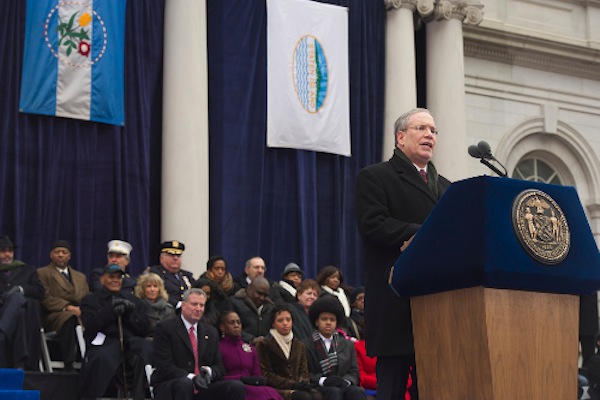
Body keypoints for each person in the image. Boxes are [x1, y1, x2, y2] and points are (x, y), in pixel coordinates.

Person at [355, 108, 451, 399]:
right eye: (421, 128)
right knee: (392, 390)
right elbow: (373, 224)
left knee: (432, 390)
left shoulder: (447, 187)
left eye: (433, 131)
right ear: (400, 137)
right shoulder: (376, 176)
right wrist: (421, 233)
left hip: (436, 306)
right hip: (396, 303)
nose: (429, 135)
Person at [151, 288, 245, 400]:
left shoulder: (211, 332)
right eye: (194, 304)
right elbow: (163, 365)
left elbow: (219, 367)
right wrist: (192, 377)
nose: (198, 309)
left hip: (203, 385)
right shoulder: (165, 328)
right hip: (173, 383)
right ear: (183, 305)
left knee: (235, 386)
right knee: (185, 384)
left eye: (202, 305)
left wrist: (209, 372)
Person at [79, 264, 151, 400]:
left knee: (145, 350)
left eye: (118, 277)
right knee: (101, 358)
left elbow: (145, 329)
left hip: (132, 343)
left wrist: (130, 314)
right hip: (105, 343)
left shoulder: (133, 300)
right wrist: (109, 310)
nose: (115, 280)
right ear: (102, 279)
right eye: (111, 277)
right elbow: (90, 325)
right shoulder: (90, 300)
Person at [37, 240, 89, 371]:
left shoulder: (80, 277)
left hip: (80, 313)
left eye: (64, 252)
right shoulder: (42, 273)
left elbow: (87, 297)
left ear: (69, 256)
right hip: (55, 314)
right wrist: (67, 307)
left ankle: (92, 362)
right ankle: (69, 362)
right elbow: (45, 298)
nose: (60, 255)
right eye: (57, 252)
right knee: (69, 318)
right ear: (51, 255)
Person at [302, 296, 365, 400]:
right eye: (324, 319)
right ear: (316, 322)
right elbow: (304, 373)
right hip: (319, 386)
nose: (328, 322)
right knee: (334, 392)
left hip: (342, 383)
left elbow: (354, 371)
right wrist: (323, 380)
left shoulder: (347, 344)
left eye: (332, 319)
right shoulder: (305, 345)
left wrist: (346, 381)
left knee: (357, 391)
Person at [256, 304, 322, 400]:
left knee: (317, 396)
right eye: (280, 320)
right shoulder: (264, 344)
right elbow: (267, 374)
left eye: (288, 319)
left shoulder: (299, 344)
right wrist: (294, 384)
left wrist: (303, 383)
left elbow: (304, 370)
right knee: (303, 397)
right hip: (276, 388)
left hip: (298, 387)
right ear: (273, 324)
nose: (285, 323)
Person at [0, 234, 44, 370]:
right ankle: (21, 363)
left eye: (10, 251)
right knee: (18, 307)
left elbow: (39, 291)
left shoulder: (27, 270)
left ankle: (2, 335)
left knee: (18, 301)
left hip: (24, 314)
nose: (7, 255)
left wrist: (20, 289)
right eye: (3, 251)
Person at [218, 310, 284, 400]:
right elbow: (218, 376)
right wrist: (241, 379)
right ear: (222, 327)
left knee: (271, 392)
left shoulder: (250, 349)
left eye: (238, 322)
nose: (236, 325)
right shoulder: (218, 348)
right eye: (231, 323)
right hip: (233, 388)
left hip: (252, 386)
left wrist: (258, 380)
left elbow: (257, 374)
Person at [147, 240, 196, 308]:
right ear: (162, 258)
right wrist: (179, 305)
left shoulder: (186, 275)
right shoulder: (154, 274)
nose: (175, 258)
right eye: (171, 255)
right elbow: (157, 295)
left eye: (178, 255)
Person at [230, 276, 275, 342]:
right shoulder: (233, 303)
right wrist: (252, 339)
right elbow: (230, 328)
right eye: (259, 293)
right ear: (249, 289)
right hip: (240, 346)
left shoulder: (271, 308)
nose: (262, 298)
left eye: (265, 295)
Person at [134, 272, 175, 337]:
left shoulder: (169, 308)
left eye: (155, 286)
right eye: (148, 286)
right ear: (142, 289)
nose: (152, 289)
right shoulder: (137, 308)